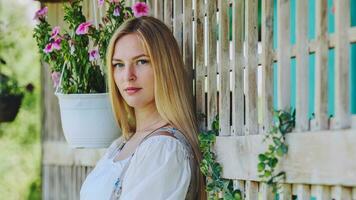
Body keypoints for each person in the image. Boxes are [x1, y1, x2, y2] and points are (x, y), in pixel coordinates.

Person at [80, 16, 206, 200]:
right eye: (119, 65)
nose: (128, 75)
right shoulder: (121, 145)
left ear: (165, 67)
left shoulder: (164, 149)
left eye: (141, 61)